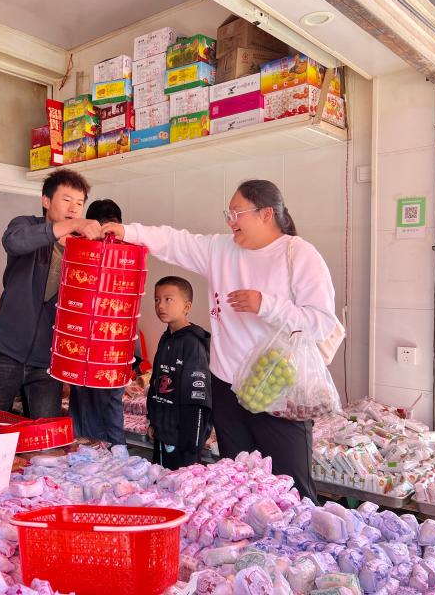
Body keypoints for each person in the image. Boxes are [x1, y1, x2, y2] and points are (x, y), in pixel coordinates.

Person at [100, 179, 338, 501]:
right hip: (226, 388)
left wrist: (265, 305)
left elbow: (321, 323)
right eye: (228, 213)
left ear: (266, 214)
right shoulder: (220, 250)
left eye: (236, 213)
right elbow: (173, 241)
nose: (229, 221)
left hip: (278, 390)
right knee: (236, 483)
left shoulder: (298, 254)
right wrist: (124, 231)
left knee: (290, 487)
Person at [0, 168, 102, 419]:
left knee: (45, 440)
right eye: (66, 199)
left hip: (47, 362)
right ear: (46, 201)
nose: (74, 208)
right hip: (6, 352)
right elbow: (14, 241)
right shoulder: (25, 225)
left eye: (79, 203)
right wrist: (70, 225)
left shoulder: (83, 249)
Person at [68, 199, 141, 445]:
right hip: (81, 347)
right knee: (81, 401)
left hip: (111, 349)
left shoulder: (127, 255)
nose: (109, 239)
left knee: (109, 404)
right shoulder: (79, 252)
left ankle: (116, 457)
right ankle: (83, 454)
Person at [146, 276, 212, 470]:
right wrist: (153, 422)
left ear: (187, 306)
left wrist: (192, 440)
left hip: (183, 438)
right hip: (162, 432)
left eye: (168, 299)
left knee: (180, 489)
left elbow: (198, 397)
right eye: (157, 299)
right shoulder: (166, 339)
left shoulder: (193, 343)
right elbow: (156, 383)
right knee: (159, 483)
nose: (160, 306)